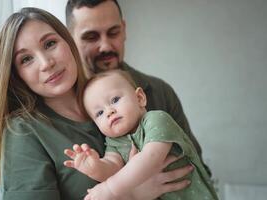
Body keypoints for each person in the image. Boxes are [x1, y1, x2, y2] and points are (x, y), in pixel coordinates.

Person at [0, 7, 194, 200]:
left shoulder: (111, 99)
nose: (47, 63)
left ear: (68, 42)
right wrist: (129, 194)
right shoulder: (23, 132)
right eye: (26, 59)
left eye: (49, 43)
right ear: (17, 75)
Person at [65, 0, 211, 175]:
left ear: (124, 29)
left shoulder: (161, 91)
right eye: (91, 37)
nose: (105, 46)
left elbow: (199, 167)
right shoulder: (63, 103)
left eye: (113, 33)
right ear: (70, 38)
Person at [64, 70, 218, 200]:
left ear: (140, 98)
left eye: (115, 100)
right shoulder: (114, 142)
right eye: (99, 113)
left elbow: (151, 159)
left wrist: (110, 189)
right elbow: (113, 167)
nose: (109, 112)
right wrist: (95, 167)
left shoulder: (156, 119)